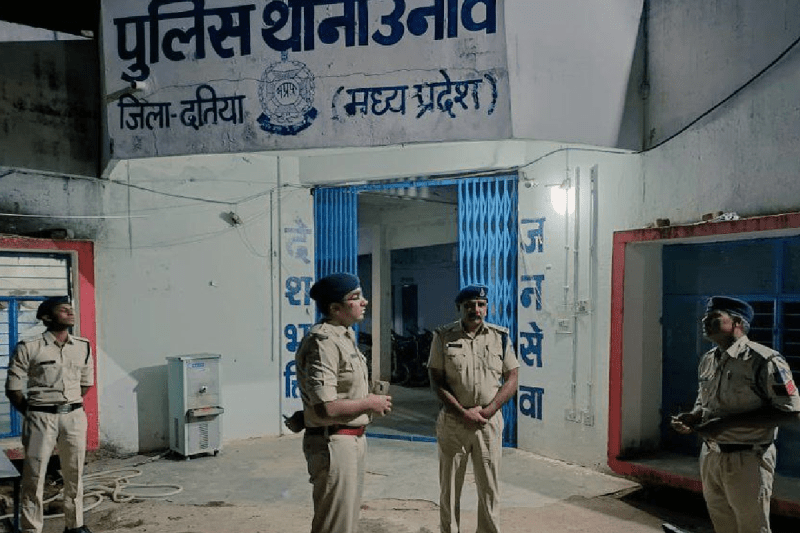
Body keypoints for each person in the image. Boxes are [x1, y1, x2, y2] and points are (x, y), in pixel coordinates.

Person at [671, 296, 800, 533]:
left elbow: (791, 413)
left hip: (747, 459)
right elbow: (705, 402)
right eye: (704, 317)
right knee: (723, 524)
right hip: (711, 456)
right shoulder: (708, 359)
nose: (704, 321)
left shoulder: (764, 360)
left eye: (713, 318)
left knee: (751, 527)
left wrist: (725, 424)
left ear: (737, 323)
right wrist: (693, 417)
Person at [295, 273, 393, 533]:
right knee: (334, 525)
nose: (364, 302)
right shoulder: (323, 343)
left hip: (351, 438)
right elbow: (326, 408)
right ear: (335, 309)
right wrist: (369, 402)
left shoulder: (344, 336)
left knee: (346, 523)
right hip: (334, 442)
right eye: (355, 297)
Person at [427, 284, 519, 533]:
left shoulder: (500, 337)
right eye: (469, 305)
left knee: (489, 487)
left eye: (480, 305)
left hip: (488, 423)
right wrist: (462, 412)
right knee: (449, 488)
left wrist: (489, 410)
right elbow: (436, 380)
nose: (475, 309)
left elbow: (512, 377)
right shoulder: (443, 336)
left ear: (486, 308)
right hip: (454, 422)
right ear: (459, 307)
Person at [5, 296, 94, 533]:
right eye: (63, 310)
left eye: (71, 309)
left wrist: (68, 404)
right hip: (40, 417)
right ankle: (32, 528)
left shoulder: (83, 346)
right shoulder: (29, 347)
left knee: (74, 472)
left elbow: (86, 383)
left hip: (74, 416)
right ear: (46, 317)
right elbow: (13, 389)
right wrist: (34, 412)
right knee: (34, 475)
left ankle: (75, 526)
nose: (70, 312)